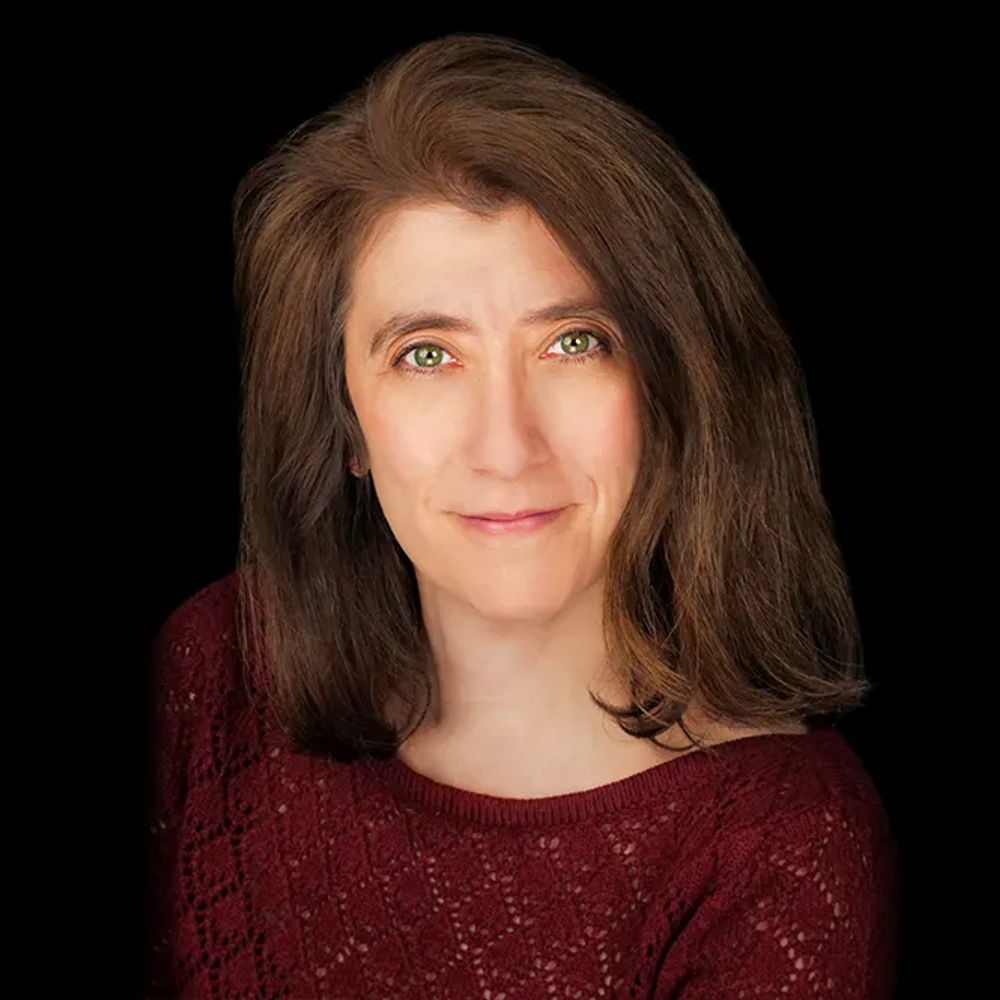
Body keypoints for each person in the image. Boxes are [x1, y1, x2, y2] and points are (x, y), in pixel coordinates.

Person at [144, 32, 900, 999]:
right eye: (426, 354)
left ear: (672, 391)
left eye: (574, 342)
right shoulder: (214, 671)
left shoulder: (782, 845)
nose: (506, 446)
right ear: (346, 426)